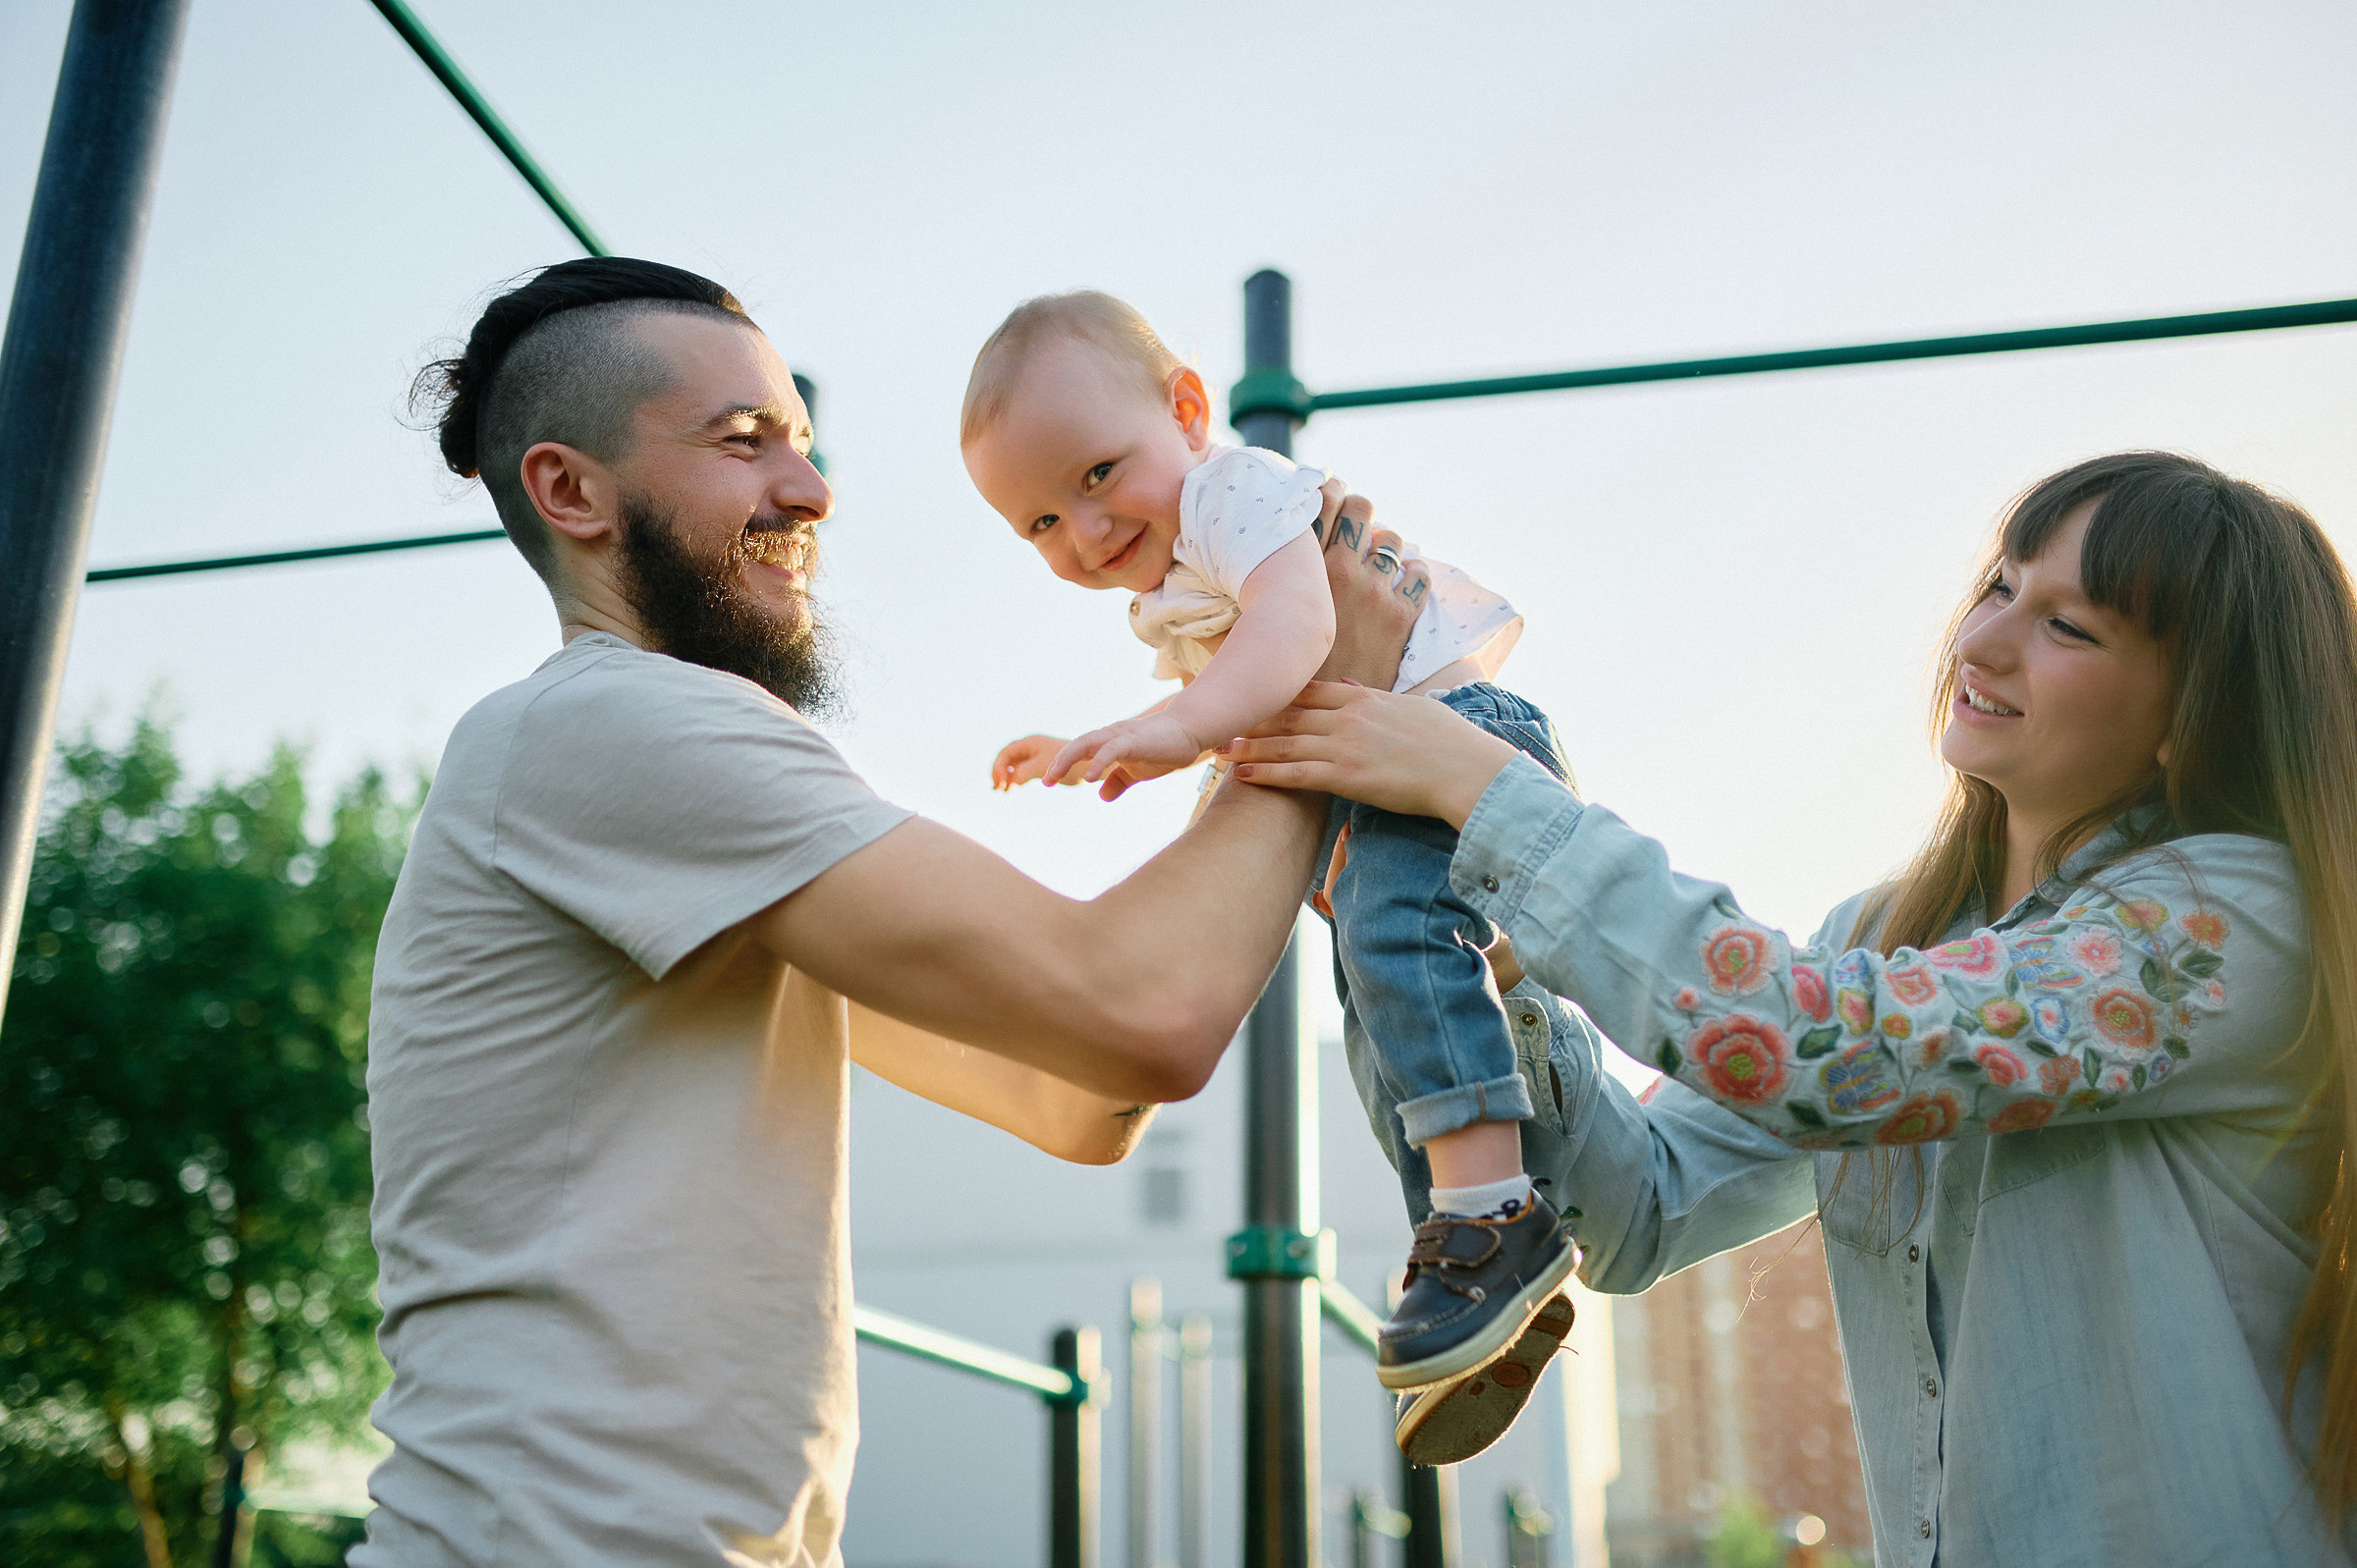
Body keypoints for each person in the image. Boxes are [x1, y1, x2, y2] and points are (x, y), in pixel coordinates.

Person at [355, 257, 1424, 1568]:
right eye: (744, 442)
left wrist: (1263, 703)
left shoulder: (687, 831)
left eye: (800, 443)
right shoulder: (610, 722)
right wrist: (1323, 689)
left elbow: (1075, 1096)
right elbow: (1146, 1011)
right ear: (572, 490)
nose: (810, 490)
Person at [1221, 451, 2357, 1562]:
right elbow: (1637, 1210)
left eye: (2069, 625)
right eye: (2003, 585)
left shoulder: (2236, 923)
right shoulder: (1885, 938)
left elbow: (1826, 1050)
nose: (1984, 639)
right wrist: (1481, 962)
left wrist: (1481, 786)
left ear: (2187, 715)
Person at [959, 291, 1579, 1398]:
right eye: (1041, 524)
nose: (1087, 534)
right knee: (1380, 1019)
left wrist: (1172, 728)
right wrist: (1115, 732)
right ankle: (1463, 1263)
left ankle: (1499, 1219)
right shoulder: (1176, 564)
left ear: (1188, 409)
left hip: (1451, 742)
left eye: (1097, 475)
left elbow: (1300, 629)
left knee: (1394, 939)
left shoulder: (1230, 493)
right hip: (1385, 770)